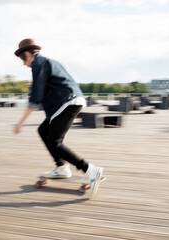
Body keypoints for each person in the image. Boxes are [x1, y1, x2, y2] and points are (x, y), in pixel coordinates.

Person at [13, 38, 103, 197]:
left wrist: (21, 122)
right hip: (67, 102)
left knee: (55, 142)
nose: (23, 64)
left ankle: (90, 169)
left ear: (27, 54)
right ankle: (62, 168)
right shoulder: (49, 62)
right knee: (43, 130)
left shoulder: (38, 64)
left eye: (22, 59)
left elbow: (36, 95)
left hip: (67, 102)